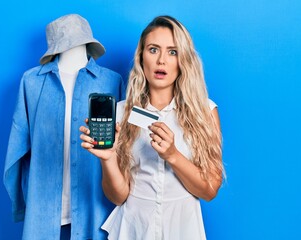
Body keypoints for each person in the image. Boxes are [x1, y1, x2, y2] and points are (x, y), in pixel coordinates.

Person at [79, 15, 225, 239]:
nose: (161, 61)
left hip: (183, 229)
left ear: (183, 59)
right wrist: (107, 159)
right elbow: (118, 197)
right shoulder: (120, 112)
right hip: (134, 228)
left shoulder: (204, 111)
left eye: (172, 52)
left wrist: (173, 155)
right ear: (141, 57)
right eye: (153, 50)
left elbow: (209, 190)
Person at [3, 14, 125, 239]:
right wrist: (23, 204)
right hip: (43, 207)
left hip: (96, 205)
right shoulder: (31, 82)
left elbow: (123, 150)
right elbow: (16, 150)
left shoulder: (112, 81)